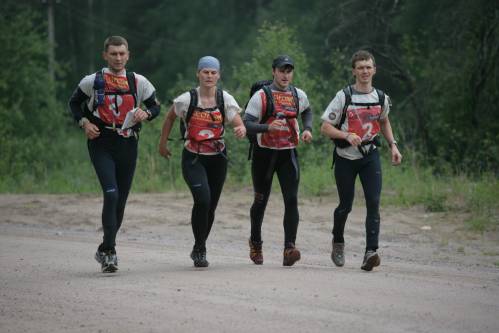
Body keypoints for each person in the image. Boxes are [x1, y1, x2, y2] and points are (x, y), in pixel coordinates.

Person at [68, 36, 160, 273]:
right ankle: (110, 253)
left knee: (120, 201)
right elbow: (74, 104)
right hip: (101, 141)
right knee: (111, 194)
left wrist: (146, 114)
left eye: (122, 53)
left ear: (128, 55)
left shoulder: (138, 81)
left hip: (128, 143)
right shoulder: (93, 81)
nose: (118, 58)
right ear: (105, 55)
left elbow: (156, 106)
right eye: (113, 54)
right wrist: (84, 124)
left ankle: (105, 247)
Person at [158, 56, 246, 268]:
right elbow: (170, 117)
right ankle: (200, 248)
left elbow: (236, 120)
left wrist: (241, 128)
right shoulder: (187, 99)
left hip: (218, 158)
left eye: (213, 72)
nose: (209, 76)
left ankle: (199, 246)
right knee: (203, 199)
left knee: (211, 207)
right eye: (205, 72)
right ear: (198, 74)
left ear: (219, 75)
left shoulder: (225, 99)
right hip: (193, 157)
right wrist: (163, 144)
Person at [320, 50, 402, 271]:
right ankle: (338, 242)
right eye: (360, 67)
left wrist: (393, 145)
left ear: (374, 70)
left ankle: (370, 252)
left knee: (373, 202)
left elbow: (384, 121)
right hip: (346, 157)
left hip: (370, 156)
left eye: (368, 67)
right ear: (354, 71)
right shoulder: (344, 96)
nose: (365, 71)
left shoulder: (381, 98)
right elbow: (325, 127)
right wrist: (346, 135)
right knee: (345, 205)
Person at [244, 55, 313, 266]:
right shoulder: (261, 96)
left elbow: (307, 111)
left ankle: (289, 248)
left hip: (288, 154)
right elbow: (247, 123)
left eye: (289, 71)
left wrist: (308, 129)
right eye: (282, 70)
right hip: (264, 155)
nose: (285, 75)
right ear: (274, 71)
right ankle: (255, 242)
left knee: (291, 200)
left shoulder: (298, 94)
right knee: (260, 201)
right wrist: (267, 127)